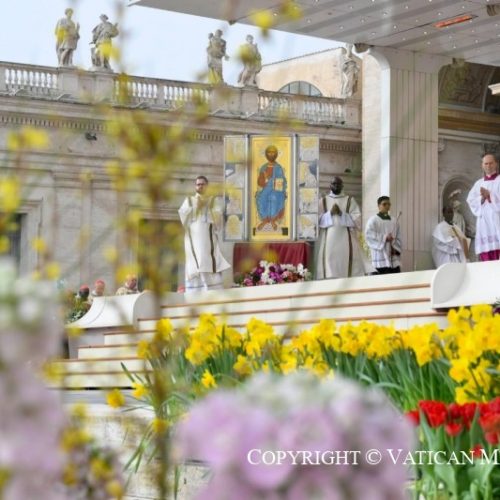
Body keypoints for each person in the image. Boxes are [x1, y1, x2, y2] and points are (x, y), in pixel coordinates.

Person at [178, 176, 231, 293]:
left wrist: (206, 208)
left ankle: (211, 289)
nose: (200, 186)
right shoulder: (189, 200)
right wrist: (194, 207)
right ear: (195, 186)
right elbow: (183, 215)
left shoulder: (213, 201)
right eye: (198, 184)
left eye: (203, 184)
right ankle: (194, 291)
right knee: (194, 262)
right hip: (192, 238)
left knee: (206, 260)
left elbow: (218, 218)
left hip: (207, 238)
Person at [316, 177, 372, 279]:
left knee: (345, 258)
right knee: (328, 259)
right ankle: (329, 279)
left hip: (346, 237)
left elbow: (358, 220)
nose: (336, 186)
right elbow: (317, 220)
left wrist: (342, 214)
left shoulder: (350, 200)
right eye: (334, 184)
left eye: (338, 184)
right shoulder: (323, 201)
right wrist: (330, 213)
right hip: (328, 237)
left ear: (342, 186)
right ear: (330, 185)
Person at [466, 153, 500, 261]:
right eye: (486, 163)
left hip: (497, 221)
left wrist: (490, 195)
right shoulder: (478, 183)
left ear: (496, 164)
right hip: (484, 225)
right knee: (486, 259)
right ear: (482, 165)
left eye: (491, 163)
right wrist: (482, 198)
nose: (488, 166)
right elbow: (470, 200)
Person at [365, 196, 402, 274]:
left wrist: (395, 248)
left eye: (389, 204)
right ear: (379, 206)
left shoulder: (394, 221)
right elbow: (369, 235)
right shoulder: (373, 220)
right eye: (384, 204)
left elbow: (399, 237)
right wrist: (385, 237)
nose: (387, 206)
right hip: (379, 258)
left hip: (393, 259)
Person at [255, 145, 287, 231]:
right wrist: (265, 179)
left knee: (274, 198)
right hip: (266, 187)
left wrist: (278, 186)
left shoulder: (278, 167)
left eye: (273, 152)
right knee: (261, 198)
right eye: (269, 152)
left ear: (276, 154)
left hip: (276, 189)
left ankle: (273, 220)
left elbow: (282, 180)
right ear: (266, 154)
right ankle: (265, 220)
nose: (271, 154)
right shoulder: (263, 167)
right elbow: (260, 181)